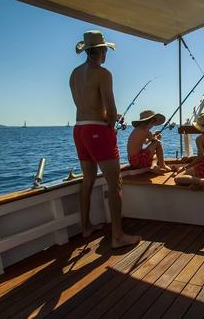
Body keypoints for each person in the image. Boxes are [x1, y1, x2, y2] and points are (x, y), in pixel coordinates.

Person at [70, 30, 140, 248]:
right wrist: (112, 123)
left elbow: (89, 105)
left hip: (79, 130)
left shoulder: (74, 73)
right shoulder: (103, 73)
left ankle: (85, 227)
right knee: (115, 181)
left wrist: (106, 118)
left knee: (88, 180)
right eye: (105, 50)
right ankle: (117, 236)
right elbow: (110, 110)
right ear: (101, 51)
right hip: (98, 131)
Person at [174, 112, 204, 201]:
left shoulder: (200, 138)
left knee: (178, 178)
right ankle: (200, 182)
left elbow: (200, 157)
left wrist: (185, 167)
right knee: (192, 180)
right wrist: (191, 158)